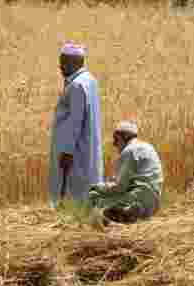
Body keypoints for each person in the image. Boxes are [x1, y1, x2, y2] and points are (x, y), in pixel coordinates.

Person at [49, 42, 102, 209]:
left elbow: (75, 121)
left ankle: (76, 217)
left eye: (64, 62)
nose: (60, 66)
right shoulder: (89, 80)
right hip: (85, 144)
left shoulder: (77, 85)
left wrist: (67, 151)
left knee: (74, 187)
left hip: (75, 148)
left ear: (75, 63)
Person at [88, 121, 163, 225]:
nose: (114, 144)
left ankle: (120, 215)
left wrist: (97, 187)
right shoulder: (148, 147)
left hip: (136, 196)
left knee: (94, 196)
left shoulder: (129, 151)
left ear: (125, 137)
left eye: (116, 139)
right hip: (155, 201)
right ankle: (129, 211)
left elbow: (119, 187)